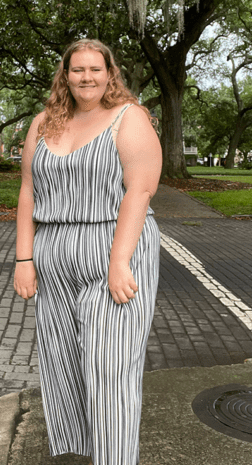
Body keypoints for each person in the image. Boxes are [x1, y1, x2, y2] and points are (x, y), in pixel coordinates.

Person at [13, 39, 162, 465]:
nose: (86, 78)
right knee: (62, 364)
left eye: (95, 69)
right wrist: (24, 258)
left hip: (113, 246)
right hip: (53, 252)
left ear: (109, 73)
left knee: (109, 367)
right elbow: (28, 190)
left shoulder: (128, 118)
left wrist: (119, 262)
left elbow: (141, 189)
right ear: (65, 75)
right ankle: (82, 452)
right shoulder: (44, 122)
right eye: (77, 70)